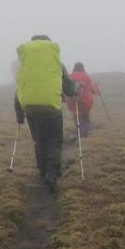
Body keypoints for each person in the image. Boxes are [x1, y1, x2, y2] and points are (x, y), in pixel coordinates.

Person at [13, 35, 78, 192]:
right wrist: (76, 89)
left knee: (40, 142)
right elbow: (69, 89)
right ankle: (52, 175)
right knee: (54, 142)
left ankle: (43, 173)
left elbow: (19, 90)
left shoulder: (24, 66)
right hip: (51, 109)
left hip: (31, 110)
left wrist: (19, 114)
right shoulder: (56, 63)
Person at [66, 62, 100, 137]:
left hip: (73, 103)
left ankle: (79, 131)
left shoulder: (70, 76)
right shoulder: (86, 76)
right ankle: (84, 133)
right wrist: (97, 88)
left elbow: (66, 90)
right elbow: (93, 90)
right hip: (86, 102)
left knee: (77, 117)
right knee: (85, 118)